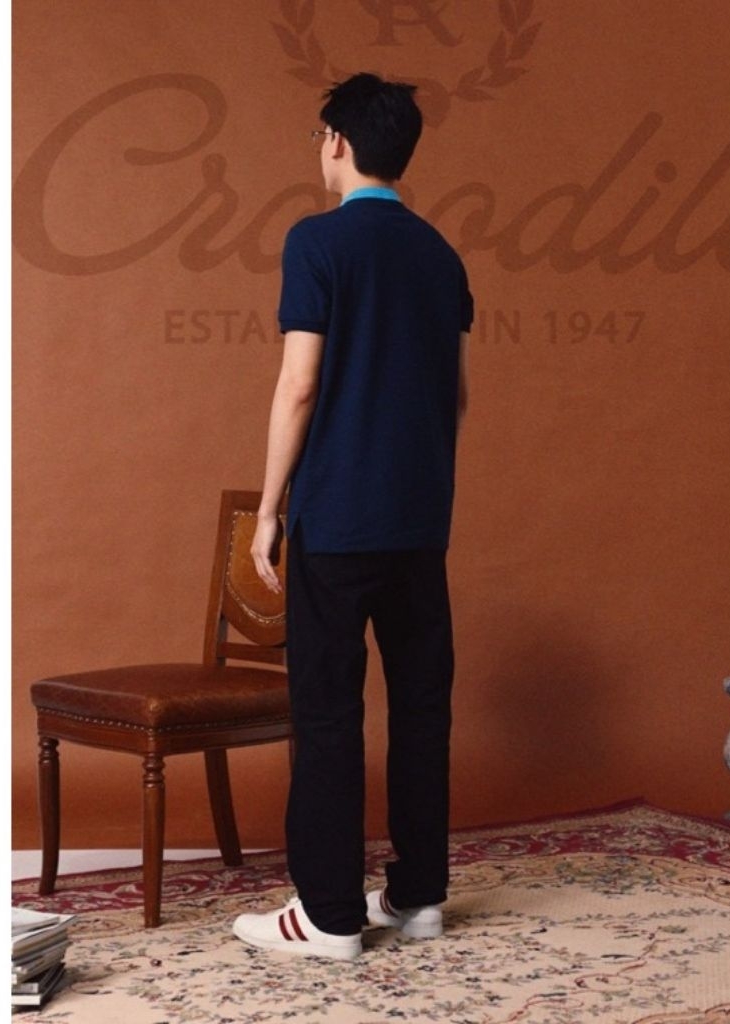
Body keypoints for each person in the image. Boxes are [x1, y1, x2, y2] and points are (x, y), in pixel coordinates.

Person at [233, 72, 473, 961]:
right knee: (421, 706)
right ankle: (418, 897)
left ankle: (329, 914)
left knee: (329, 711)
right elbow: (455, 397)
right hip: (420, 521)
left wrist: (269, 509)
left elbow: (299, 385)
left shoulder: (317, 241)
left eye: (318, 137)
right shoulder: (441, 256)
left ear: (337, 141)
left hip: (337, 519)